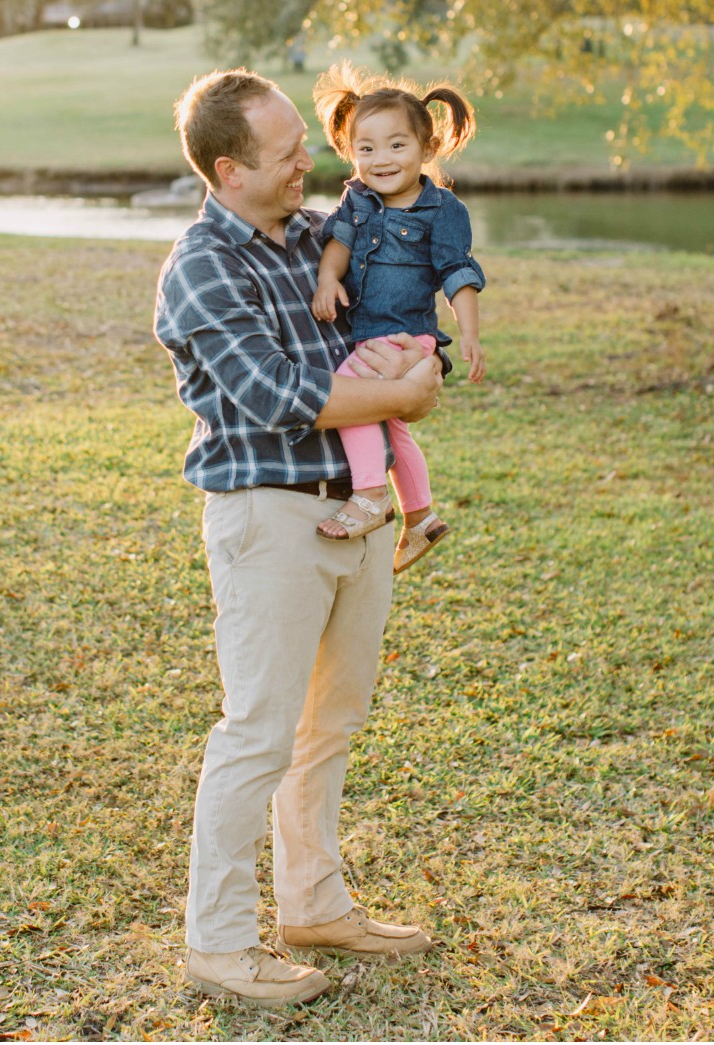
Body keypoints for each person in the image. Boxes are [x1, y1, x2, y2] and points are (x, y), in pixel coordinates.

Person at [151, 68, 442, 1006]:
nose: (307, 162)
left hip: (355, 513)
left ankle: (313, 901)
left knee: (330, 727)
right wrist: (400, 396)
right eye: (286, 154)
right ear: (230, 170)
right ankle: (221, 943)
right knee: (259, 731)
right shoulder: (202, 266)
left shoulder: (318, 236)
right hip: (268, 516)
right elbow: (280, 395)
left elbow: (400, 287)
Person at [308, 65, 487, 572]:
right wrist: (328, 280)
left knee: (350, 394)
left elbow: (457, 272)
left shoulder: (441, 210)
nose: (380, 160)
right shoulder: (357, 199)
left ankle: (369, 494)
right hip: (370, 335)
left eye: (396, 146)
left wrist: (470, 334)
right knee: (393, 428)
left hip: (407, 339)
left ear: (426, 149)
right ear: (350, 152)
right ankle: (422, 517)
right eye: (366, 148)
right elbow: (339, 241)